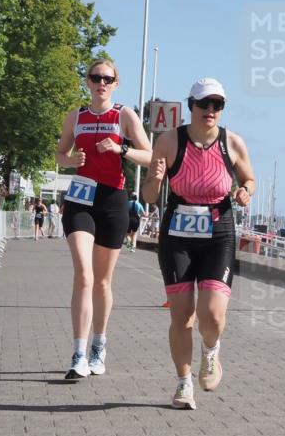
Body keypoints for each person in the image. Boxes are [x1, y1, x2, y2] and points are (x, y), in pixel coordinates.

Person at [143, 77, 255, 410]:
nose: (210, 110)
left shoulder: (232, 144)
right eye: (204, 104)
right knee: (182, 316)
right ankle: (183, 384)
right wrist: (156, 178)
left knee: (213, 316)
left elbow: (249, 177)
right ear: (190, 105)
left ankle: (211, 351)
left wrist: (245, 191)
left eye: (217, 105)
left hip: (218, 231)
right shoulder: (168, 141)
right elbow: (149, 196)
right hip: (178, 233)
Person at [56, 58, 152, 380]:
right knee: (83, 274)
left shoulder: (124, 115)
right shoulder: (76, 116)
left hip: (113, 201)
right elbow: (59, 153)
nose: (101, 83)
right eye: (96, 77)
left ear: (115, 83)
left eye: (107, 79)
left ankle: (99, 343)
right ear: (87, 81)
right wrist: (70, 161)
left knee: (102, 281)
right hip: (81, 199)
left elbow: (149, 155)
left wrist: (121, 148)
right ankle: (79, 353)